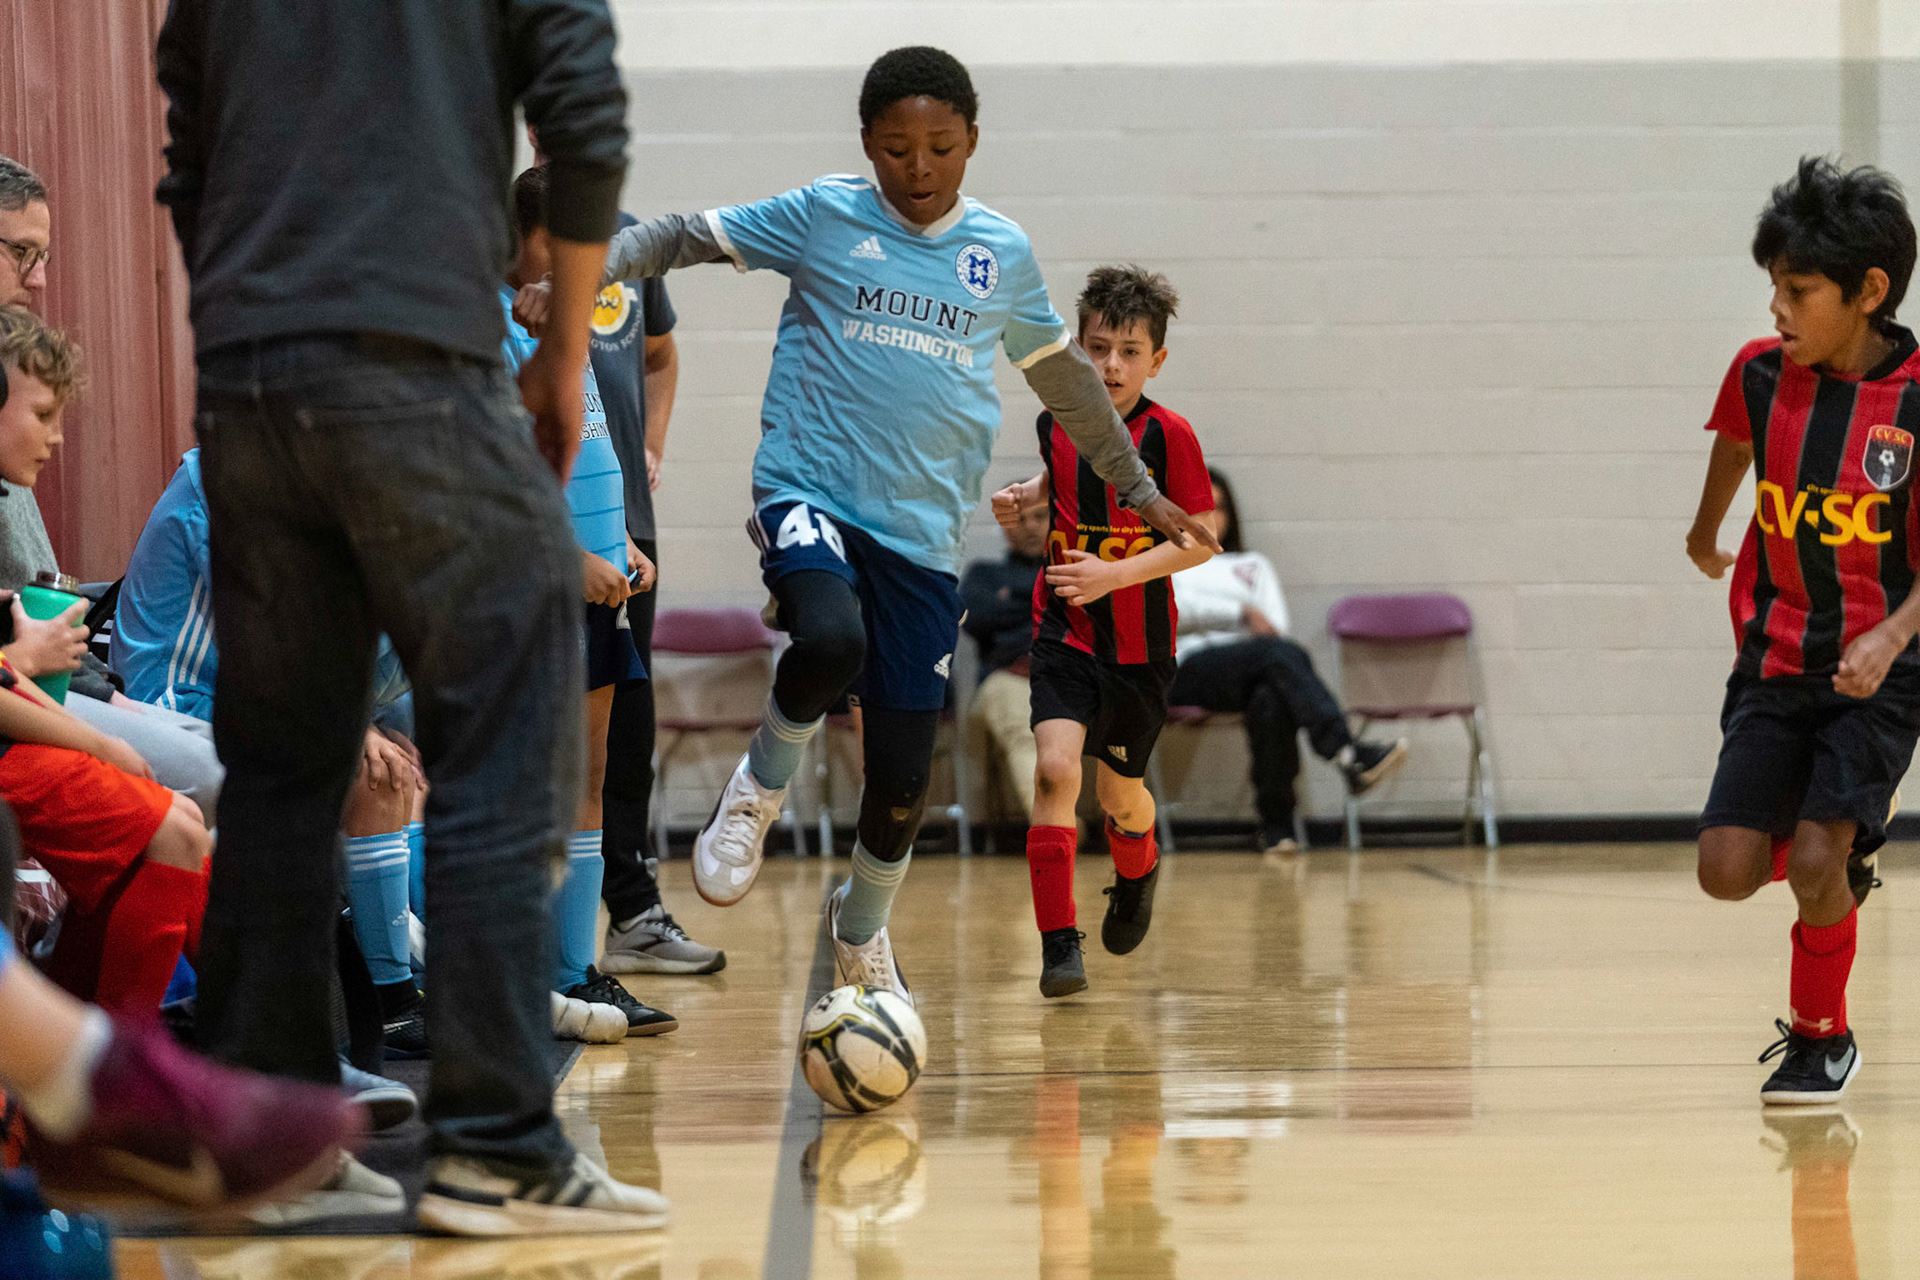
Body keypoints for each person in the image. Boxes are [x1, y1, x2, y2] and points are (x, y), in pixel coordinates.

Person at [518, 46, 1218, 1005]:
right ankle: (757, 788)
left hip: (922, 536)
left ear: (972, 140)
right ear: (867, 145)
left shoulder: (1000, 256)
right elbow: (681, 234)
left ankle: (861, 934)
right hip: (809, 488)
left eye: (939, 146)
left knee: (899, 779)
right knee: (829, 634)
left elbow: (1066, 385)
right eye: (896, 148)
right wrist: (577, 274)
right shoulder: (825, 213)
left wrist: (1140, 493)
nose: (918, 167)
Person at [155, 0, 669, 1233]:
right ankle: (496, 1140)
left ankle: (268, 1137)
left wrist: (246, 315)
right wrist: (553, 356)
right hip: (414, 353)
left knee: (283, 764)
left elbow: (189, 156)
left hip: (247, 373)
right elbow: (583, 119)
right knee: (508, 724)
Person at [1685, 156, 1920, 1105]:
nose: (1778, 309)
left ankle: (1823, 1039)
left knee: (1817, 861)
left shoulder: (1912, 407)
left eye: (1798, 290)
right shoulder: (1756, 373)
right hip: (1777, 658)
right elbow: (1736, 445)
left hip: (1883, 670)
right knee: (1725, 871)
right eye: (1772, 288)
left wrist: (1894, 635)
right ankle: (1843, 858)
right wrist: (1706, 532)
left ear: (1868, 292)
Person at [109, 449, 433, 1055]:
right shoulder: (227, 478)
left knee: (405, 773)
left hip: (250, 700)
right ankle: (390, 1006)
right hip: (173, 699)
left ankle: (410, 983)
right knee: (370, 774)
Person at [526, 128, 723, 977]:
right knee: (553, 742)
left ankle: (629, 914)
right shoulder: (513, 267)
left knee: (621, 736)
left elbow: (661, 358)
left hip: (623, 528)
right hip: (547, 542)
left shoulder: (632, 244)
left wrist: (655, 448)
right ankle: (538, 947)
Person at [991, 266, 1215, 998]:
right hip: (1064, 630)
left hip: (1139, 647)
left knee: (1120, 796)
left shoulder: (1170, 435)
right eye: (1097, 348)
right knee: (1055, 772)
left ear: (1156, 360)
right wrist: (1029, 492)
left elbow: (1203, 538)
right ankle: (1059, 946)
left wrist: (1114, 577)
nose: (1111, 365)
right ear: (1077, 351)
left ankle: (1138, 866)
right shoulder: (1057, 418)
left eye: (1128, 351)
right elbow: (1065, 474)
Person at [501, 165, 675, 1041]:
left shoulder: (568, 328)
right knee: (535, 783)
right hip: (536, 592)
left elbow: (588, 452)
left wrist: (618, 545)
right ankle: (518, 975)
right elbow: (487, 480)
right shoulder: (490, 334)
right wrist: (570, 559)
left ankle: (578, 972)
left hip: (601, 583)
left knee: (592, 782)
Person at [0, 157, 224, 824]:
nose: (38, 279)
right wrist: (99, 735)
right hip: (31, 694)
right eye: (22, 253)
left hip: (56, 679)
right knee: (212, 793)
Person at [0, 307, 210, 1015]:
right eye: (44, 414)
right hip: (12, 742)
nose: (58, 438)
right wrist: (100, 742)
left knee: (179, 823)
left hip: (24, 729)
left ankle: (93, 1066)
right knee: (175, 827)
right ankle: (120, 1083)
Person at [1169, 469, 1409, 854]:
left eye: (1221, 508)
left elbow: (1274, 628)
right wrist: (1240, 614)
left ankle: (1278, 825)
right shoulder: (1168, 560)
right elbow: (1173, 612)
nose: (1212, 518)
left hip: (1253, 668)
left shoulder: (1255, 565)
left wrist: (1247, 621)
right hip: (1188, 669)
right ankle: (1346, 751)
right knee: (1279, 657)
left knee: (1271, 697)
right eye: (1202, 508)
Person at [959, 496, 1048, 819]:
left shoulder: (1078, 568)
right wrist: (1044, 600)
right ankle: (1054, 829)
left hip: (1069, 675)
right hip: (1008, 677)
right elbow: (976, 618)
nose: (1031, 527)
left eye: (1040, 517)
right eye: (1020, 519)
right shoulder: (984, 574)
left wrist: (1013, 599)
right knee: (1028, 727)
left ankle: (1111, 822)